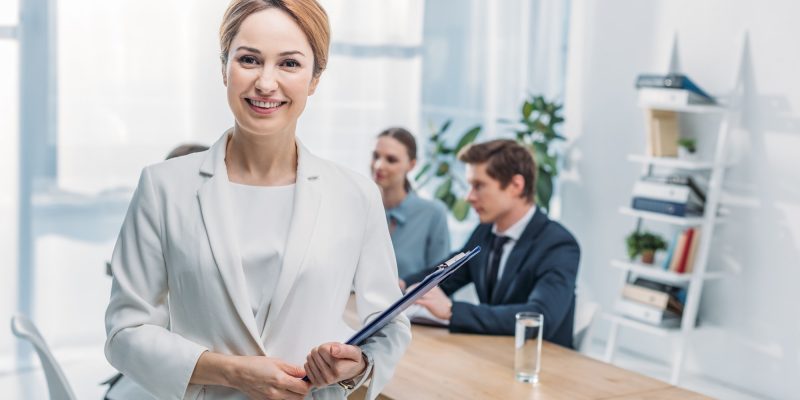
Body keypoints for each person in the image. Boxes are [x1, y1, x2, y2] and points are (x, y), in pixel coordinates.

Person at [104, 1, 411, 399]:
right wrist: (233, 371)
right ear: (223, 68)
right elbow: (124, 332)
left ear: (315, 78)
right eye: (249, 59)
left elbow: (389, 326)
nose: (266, 83)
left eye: (289, 64)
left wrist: (358, 366)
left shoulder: (355, 195)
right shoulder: (163, 187)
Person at [402, 139, 580, 348]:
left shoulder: (558, 244)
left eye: (479, 186)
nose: (469, 197)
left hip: (542, 365)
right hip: (493, 354)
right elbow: (448, 274)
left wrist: (452, 310)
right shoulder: (485, 231)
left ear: (515, 186)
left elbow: (538, 317)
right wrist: (403, 285)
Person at [370, 127, 450, 283]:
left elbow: (441, 278)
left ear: (411, 165)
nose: (379, 165)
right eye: (375, 156)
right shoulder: (361, 209)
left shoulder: (433, 213)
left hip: (411, 306)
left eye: (391, 159)